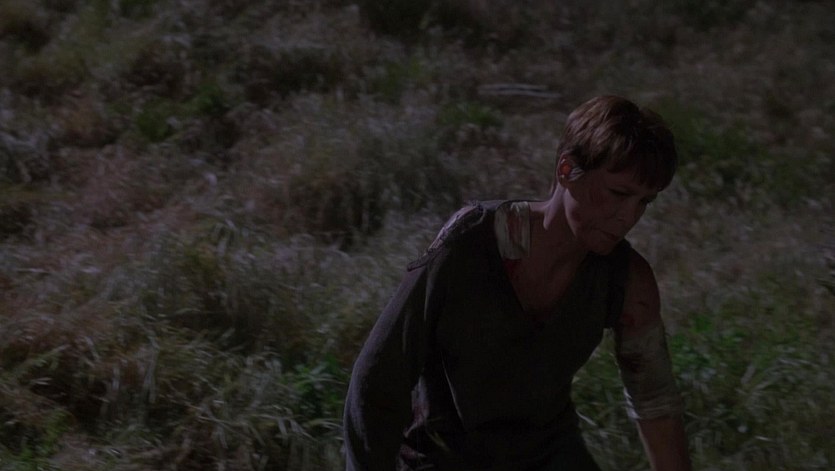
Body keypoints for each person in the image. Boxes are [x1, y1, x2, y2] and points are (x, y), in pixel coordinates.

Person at [343, 95, 692, 470]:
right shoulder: (471, 243)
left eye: (644, 202)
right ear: (567, 170)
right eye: (618, 194)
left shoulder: (627, 281)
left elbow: (655, 403)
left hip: (547, 457)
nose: (628, 216)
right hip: (444, 457)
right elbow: (378, 378)